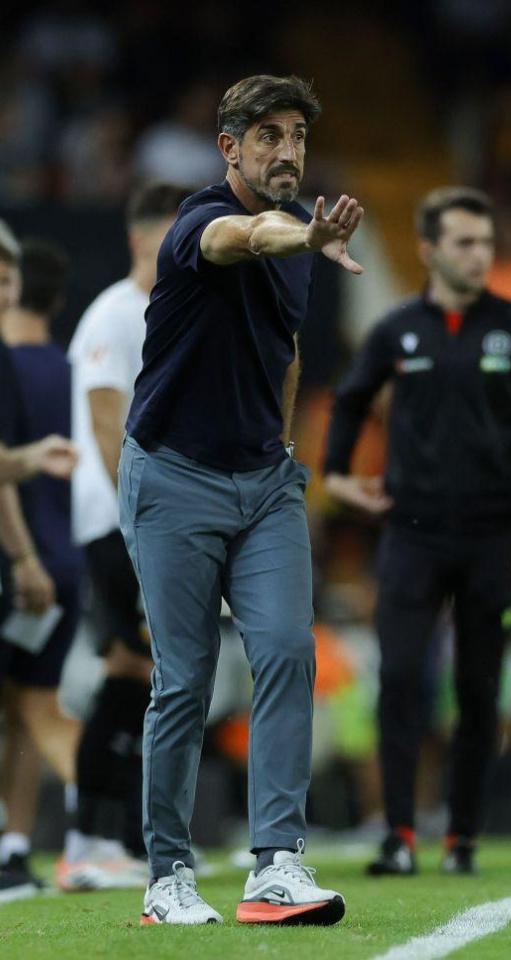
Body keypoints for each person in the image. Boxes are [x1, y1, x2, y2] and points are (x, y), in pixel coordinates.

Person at [118, 73, 364, 927]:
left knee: (289, 650)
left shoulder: (298, 236)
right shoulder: (198, 224)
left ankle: (276, 865)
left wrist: (285, 448)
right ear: (230, 149)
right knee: (184, 680)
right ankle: (167, 877)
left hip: (264, 483)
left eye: (296, 133)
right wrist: (295, 240)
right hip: (174, 476)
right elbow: (241, 237)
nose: (287, 149)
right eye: (268, 136)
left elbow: (286, 351)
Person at [323, 186, 511, 877]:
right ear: (428, 249)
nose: (480, 256)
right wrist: (333, 474)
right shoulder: (397, 331)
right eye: (465, 243)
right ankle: (398, 835)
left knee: (479, 689)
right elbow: (352, 399)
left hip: (492, 535)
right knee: (399, 679)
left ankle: (462, 837)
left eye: (485, 243)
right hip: (412, 534)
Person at [58, 182, 188, 891]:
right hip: (114, 516)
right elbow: (109, 425)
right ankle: (87, 840)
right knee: (132, 669)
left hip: (137, 517)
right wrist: (144, 527)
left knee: (139, 671)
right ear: (142, 239)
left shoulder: (163, 311)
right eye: (175, 233)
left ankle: (117, 839)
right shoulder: (114, 314)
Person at [0, 239, 83, 897]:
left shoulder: (11, 364)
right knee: (34, 711)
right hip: (65, 554)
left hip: (22, 557)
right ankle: (22, 845)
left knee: (25, 712)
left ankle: (98, 827)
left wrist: (23, 555)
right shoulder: (68, 367)